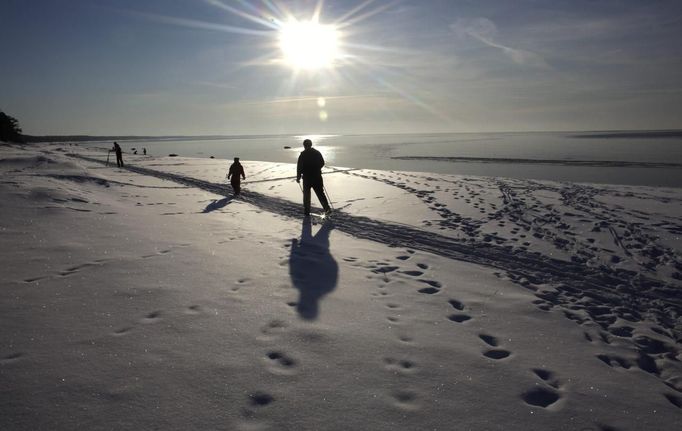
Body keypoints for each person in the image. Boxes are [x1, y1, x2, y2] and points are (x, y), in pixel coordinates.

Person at [296, 139, 331, 216]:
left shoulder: (303, 154)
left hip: (307, 178)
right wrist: (317, 168)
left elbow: (299, 167)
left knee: (306, 195)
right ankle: (327, 209)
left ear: (304, 145)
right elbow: (322, 162)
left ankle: (307, 211)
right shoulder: (317, 153)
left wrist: (298, 177)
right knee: (320, 194)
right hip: (317, 177)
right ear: (310, 144)